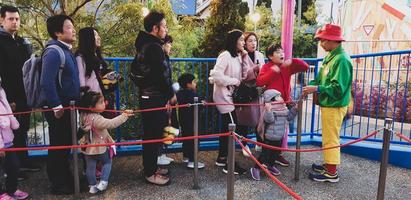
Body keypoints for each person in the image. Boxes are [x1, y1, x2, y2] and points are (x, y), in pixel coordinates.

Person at [302, 24, 353, 183]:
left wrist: (316, 88)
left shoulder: (341, 59)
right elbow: (320, 78)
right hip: (330, 104)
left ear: (332, 40)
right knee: (328, 136)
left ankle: (331, 172)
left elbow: (338, 88)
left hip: (335, 104)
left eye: (322, 40)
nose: (321, 44)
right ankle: (328, 164)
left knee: (331, 137)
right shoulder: (331, 57)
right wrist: (312, 85)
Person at [130, 11, 175, 186]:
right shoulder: (154, 47)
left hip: (149, 95)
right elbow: (161, 76)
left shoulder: (147, 44)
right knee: (152, 135)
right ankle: (150, 173)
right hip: (153, 97)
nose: (166, 29)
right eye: (164, 25)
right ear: (155, 28)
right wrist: (170, 95)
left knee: (153, 133)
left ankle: (151, 167)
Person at [40, 14, 80, 194]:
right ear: (58, 32)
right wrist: (56, 106)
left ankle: (67, 179)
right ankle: (58, 183)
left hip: (67, 107)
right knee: (58, 145)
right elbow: (46, 82)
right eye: (69, 27)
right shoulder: (54, 52)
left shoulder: (66, 50)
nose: (73, 30)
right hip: (59, 109)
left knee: (64, 145)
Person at [0, 5, 41, 179]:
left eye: (17, 19)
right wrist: (8, 99)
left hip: (25, 94)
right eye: (11, 19)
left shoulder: (21, 41)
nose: (15, 22)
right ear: (1, 20)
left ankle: (23, 161)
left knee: (23, 128)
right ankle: (12, 170)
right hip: (9, 97)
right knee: (9, 134)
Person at [209, 29, 255, 175]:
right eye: (241, 39)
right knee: (231, 128)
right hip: (223, 97)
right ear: (234, 40)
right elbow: (216, 76)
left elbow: (247, 73)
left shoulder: (238, 56)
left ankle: (222, 158)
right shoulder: (225, 55)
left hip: (231, 97)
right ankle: (229, 164)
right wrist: (234, 81)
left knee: (227, 129)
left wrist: (245, 55)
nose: (243, 42)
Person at [256, 42, 309, 167]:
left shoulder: (286, 67)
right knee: (270, 133)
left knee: (280, 131)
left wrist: (292, 61)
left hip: (285, 104)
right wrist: (275, 70)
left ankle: (275, 156)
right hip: (273, 106)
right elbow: (260, 82)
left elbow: (305, 66)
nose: (282, 54)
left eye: (282, 52)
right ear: (270, 56)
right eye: (278, 52)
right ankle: (264, 159)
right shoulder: (267, 67)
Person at [78, 91, 133, 194]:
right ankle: (103, 182)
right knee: (107, 162)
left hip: (87, 148)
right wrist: (124, 115)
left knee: (90, 168)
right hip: (99, 147)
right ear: (91, 107)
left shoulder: (83, 115)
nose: (105, 103)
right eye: (101, 102)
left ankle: (92, 186)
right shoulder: (97, 119)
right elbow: (111, 123)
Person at [250, 89, 297, 181]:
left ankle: (270, 165)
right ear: (272, 100)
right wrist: (268, 110)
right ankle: (256, 168)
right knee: (265, 154)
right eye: (279, 97)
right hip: (269, 137)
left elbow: (289, 117)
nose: (281, 98)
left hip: (279, 136)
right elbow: (269, 120)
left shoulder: (284, 108)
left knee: (275, 154)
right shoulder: (270, 109)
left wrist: (295, 109)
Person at [236, 31, 265, 155]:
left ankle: (259, 142)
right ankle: (244, 145)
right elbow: (242, 74)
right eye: (250, 41)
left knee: (259, 117)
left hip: (257, 91)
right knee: (244, 119)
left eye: (255, 40)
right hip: (245, 91)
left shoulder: (260, 55)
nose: (253, 43)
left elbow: (263, 71)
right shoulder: (241, 55)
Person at [0, 83, 29, 200]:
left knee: (14, 165)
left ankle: (11, 189)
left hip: (7, 138)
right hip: (1, 142)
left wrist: (13, 122)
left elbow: (7, 109)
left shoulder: (2, 91)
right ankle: (1, 193)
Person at [176, 73, 205, 169]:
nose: (195, 84)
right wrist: (203, 103)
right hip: (193, 121)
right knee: (194, 140)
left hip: (183, 121)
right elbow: (201, 105)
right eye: (193, 82)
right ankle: (192, 161)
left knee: (186, 138)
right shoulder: (193, 94)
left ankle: (186, 157)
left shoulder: (179, 94)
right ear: (188, 84)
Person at [157, 34, 177, 166]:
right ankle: (158, 155)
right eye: (169, 44)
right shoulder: (161, 58)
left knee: (165, 124)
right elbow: (163, 79)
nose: (170, 47)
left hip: (164, 96)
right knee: (160, 125)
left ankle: (162, 153)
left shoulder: (165, 58)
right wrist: (170, 95)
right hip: (161, 97)